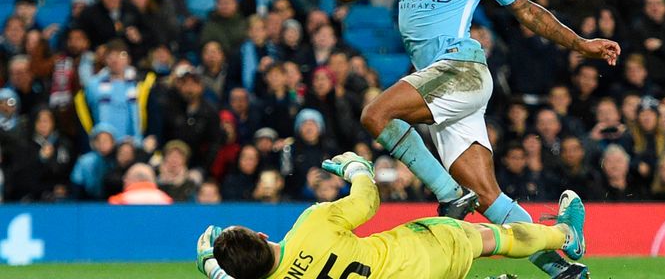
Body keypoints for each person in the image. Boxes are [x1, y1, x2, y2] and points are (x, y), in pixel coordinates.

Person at [264, 0, 619, 279]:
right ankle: (562, 256)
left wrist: (581, 44)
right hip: (438, 84)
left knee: (375, 115)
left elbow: (528, 11)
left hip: (461, 69)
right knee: (490, 200)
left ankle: (450, 193)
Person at [195, 152, 586, 279]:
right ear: (262, 236)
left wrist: (213, 267)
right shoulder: (311, 225)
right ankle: (566, 236)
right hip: (423, 251)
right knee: (499, 239)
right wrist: (356, 169)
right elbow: (368, 201)